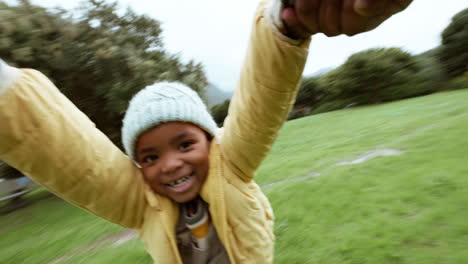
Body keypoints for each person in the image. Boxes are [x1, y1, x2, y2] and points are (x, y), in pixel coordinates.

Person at [0, 0, 412, 263]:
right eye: (149, 156)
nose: (171, 164)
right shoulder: (141, 203)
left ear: (211, 140)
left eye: (184, 143)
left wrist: (283, 26)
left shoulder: (230, 166)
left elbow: (259, 103)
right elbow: (74, 161)